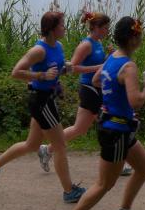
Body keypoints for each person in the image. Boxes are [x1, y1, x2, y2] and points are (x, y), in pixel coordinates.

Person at [58, 16, 145, 210]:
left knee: (144, 168)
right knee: (105, 183)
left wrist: (113, 95)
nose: (141, 38)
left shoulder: (113, 57)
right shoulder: (129, 66)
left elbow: (95, 80)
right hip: (116, 131)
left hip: (118, 127)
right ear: (133, 39)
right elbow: (136, 102)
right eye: (140, 35)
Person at [0, 11, 86, 203]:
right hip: (41, 101)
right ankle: (69, 191)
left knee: (32, 145)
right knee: (60, 146)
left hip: (47, 98)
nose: (65, 27)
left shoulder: (59, 46)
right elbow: (16, 72)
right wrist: (41, 76)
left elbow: (56, 69)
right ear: (52, 29)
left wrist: (65, 69)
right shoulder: (39, 50)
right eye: (62, 25)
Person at [37, 11, 133, 176]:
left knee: (79, 129)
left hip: (97, 88)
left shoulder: (98, 42)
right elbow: (72, 68)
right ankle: (117, 162)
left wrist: (109, 57)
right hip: (89, 89)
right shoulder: (86, 45)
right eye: (105, 28)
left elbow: (100, 64)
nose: (107, 31)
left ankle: (47, 149)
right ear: (95, 27)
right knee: (109, 123)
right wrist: (99, 67)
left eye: (108, 28)